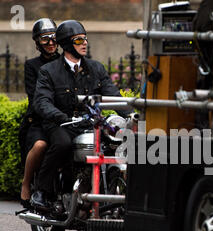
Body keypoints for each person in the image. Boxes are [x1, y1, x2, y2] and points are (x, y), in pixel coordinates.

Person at [30, 20, 130, 209]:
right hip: (62, 124)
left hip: (90, 124)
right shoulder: (49, 71)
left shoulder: (96, 68)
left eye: (85, 39)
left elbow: (114, 97)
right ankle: (41, 192)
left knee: (114, 144)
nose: (84, 43)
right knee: (62, 144)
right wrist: (61, 117)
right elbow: (41, 102)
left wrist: (134, 116)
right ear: (67, 44)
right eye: (78, 40)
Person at [18, 18, 60, 208]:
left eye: (53, 38)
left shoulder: (66, 62)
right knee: (41, 145)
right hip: (40, 119)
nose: (51, 43)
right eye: (45, 39)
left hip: (63, 120)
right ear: (37, 42)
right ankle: (26, 184)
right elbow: (35, 97)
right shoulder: (32, 66)